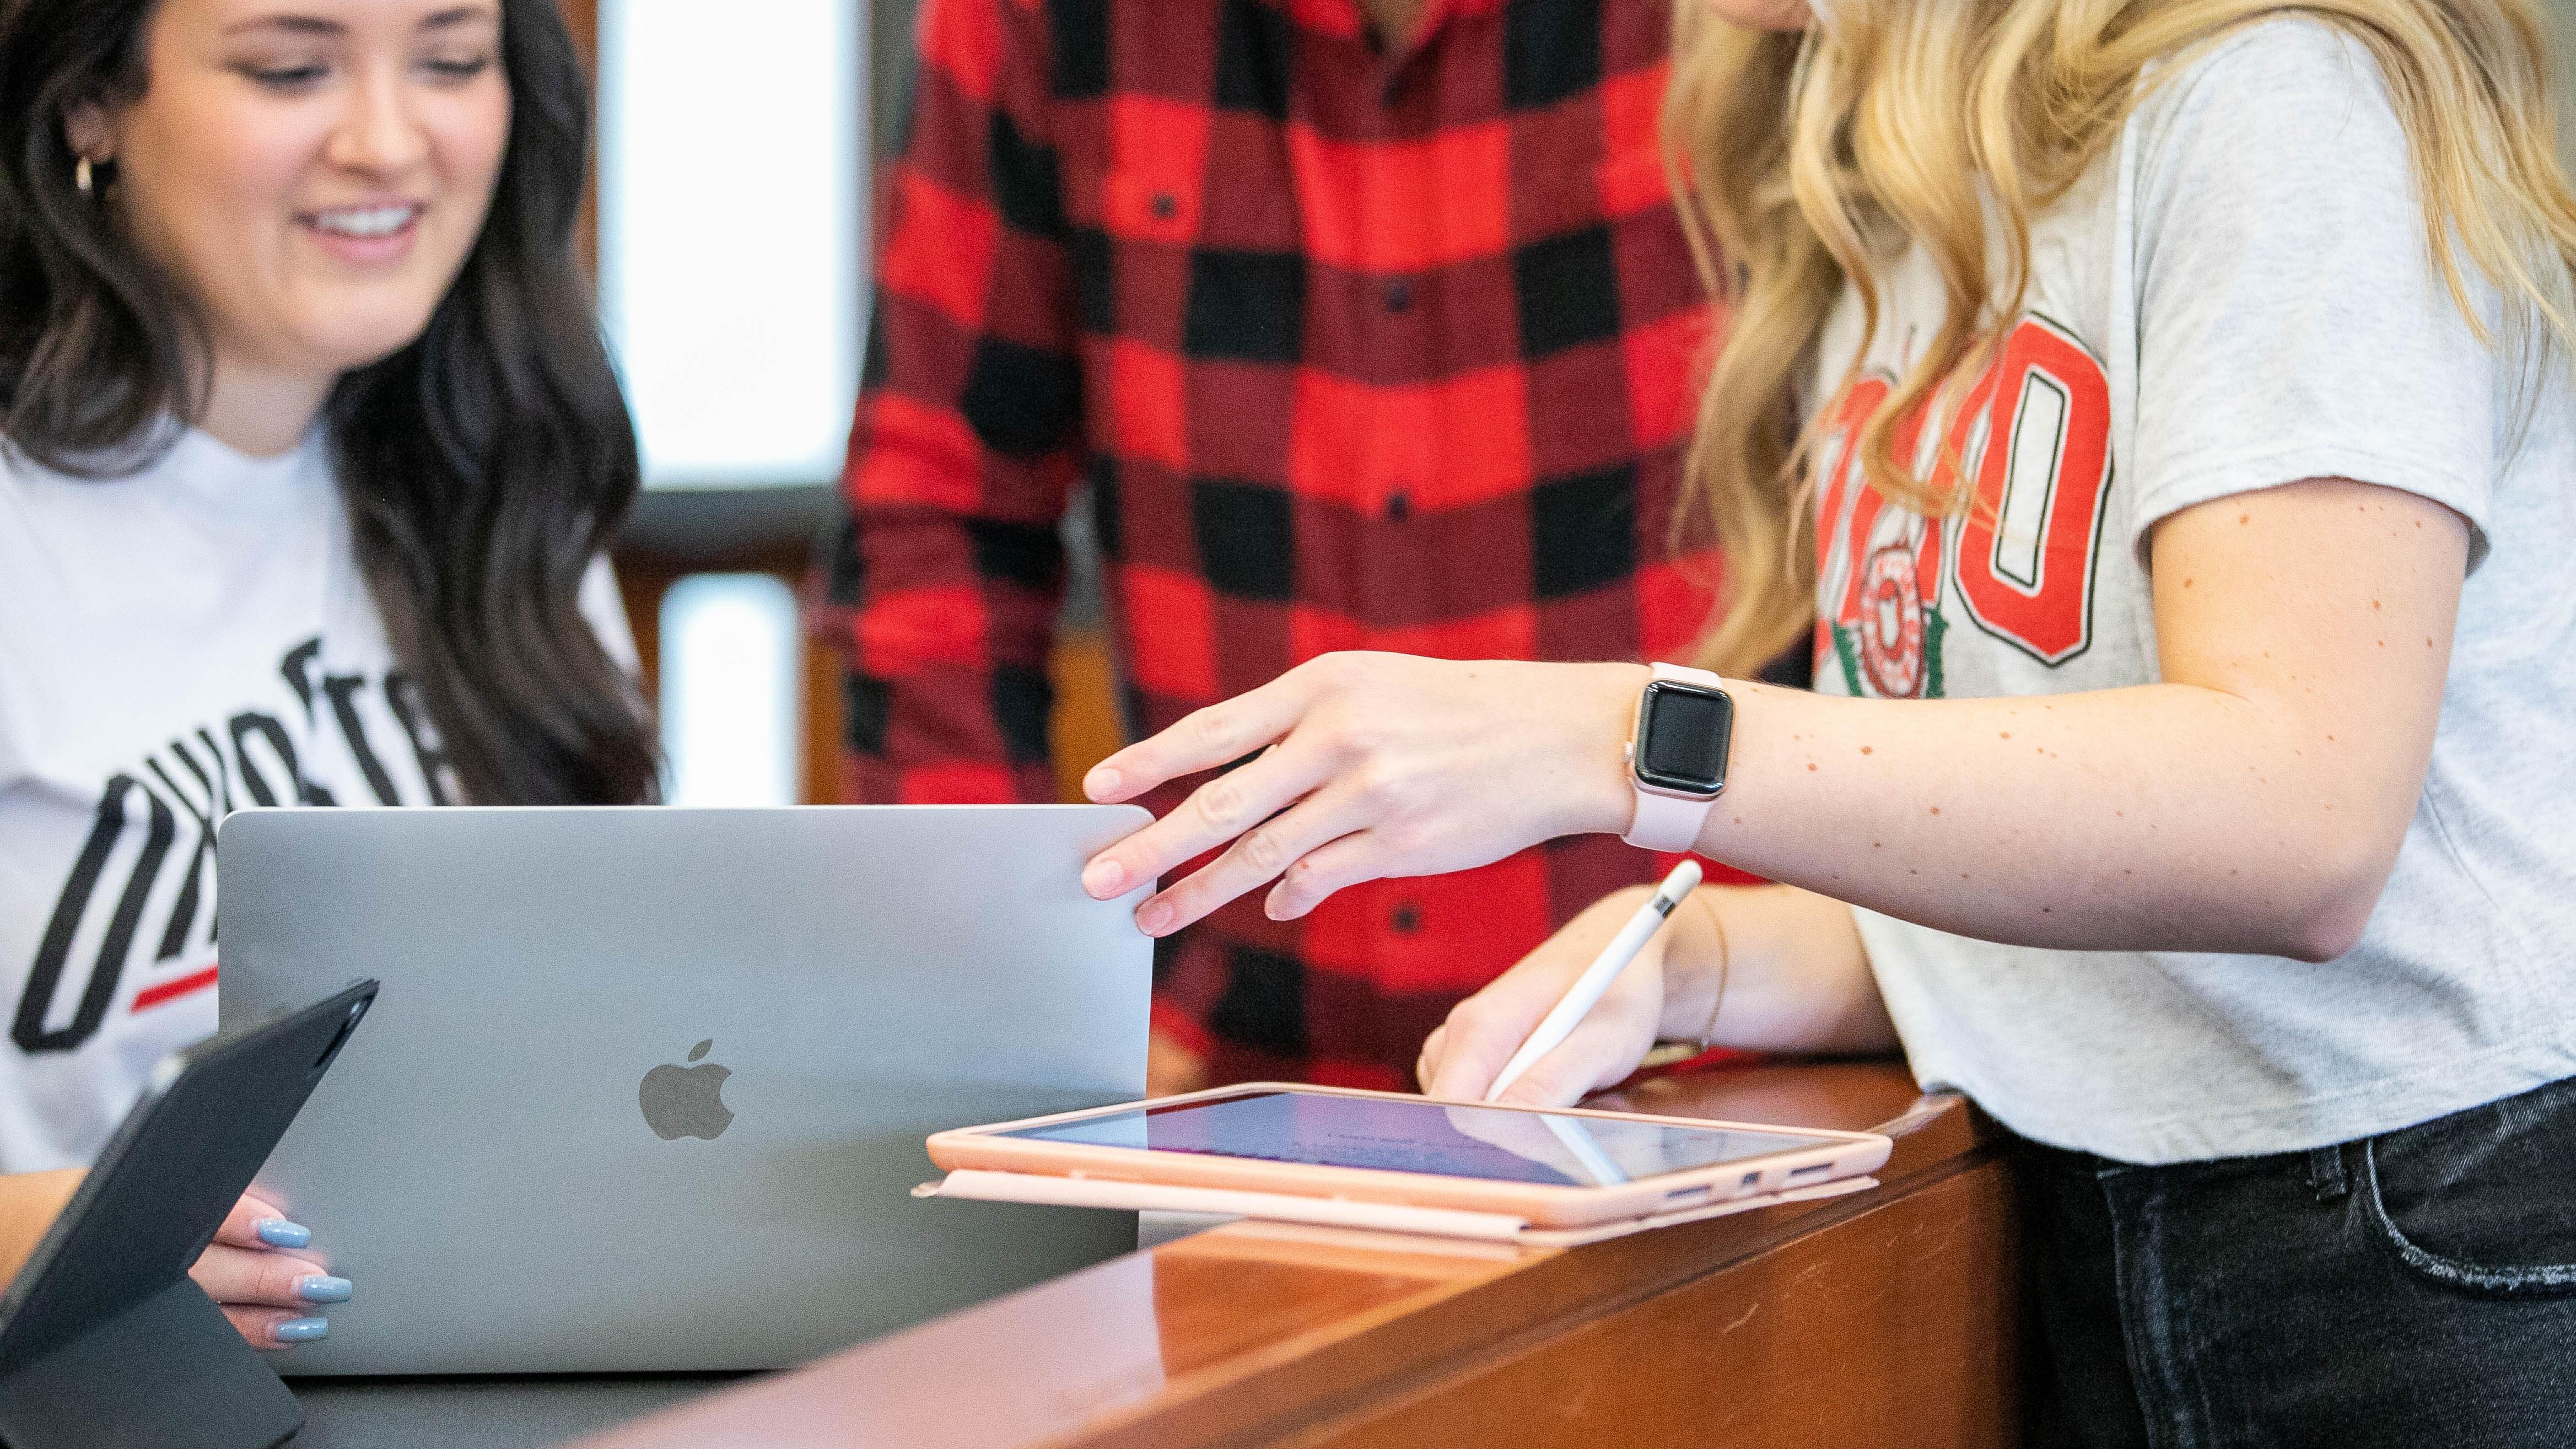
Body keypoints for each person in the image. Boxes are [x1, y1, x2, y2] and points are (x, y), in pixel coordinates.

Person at [1074, 0, 2576, 1440]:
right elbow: (2067, 856)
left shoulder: (2280, 97)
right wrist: (1697, 963)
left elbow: (2299, 824)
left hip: (2415, 1235)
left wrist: (1618, 738)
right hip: (2107, 1215)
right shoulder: (1909, 180)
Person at [819, 0, 1765, 1094]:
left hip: (1721, 1060)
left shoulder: (1754, 22)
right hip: (1228, 1073)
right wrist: (1022, 994)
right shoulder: (1034, 21)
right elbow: (935, 519)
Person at [0, 0, 655, 1345]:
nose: (388, 141)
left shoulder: (507, 494)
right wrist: (62, 1240)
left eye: (450, 62)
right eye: (293, 69)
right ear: (89, 102)